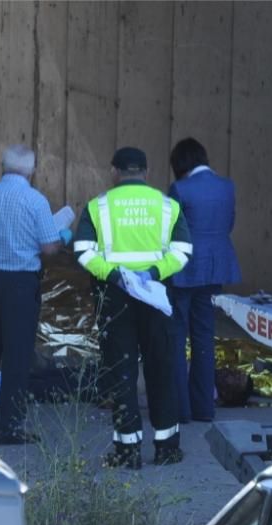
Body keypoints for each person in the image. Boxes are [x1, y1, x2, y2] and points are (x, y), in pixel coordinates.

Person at [74, 147, 193, 469]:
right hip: (155, 296)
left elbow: (83, 252)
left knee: (121, 371)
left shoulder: (98, 207)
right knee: (161, 369)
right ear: (146, 171)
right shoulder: (167, 206)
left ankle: (127, 452)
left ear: (114, 172)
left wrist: (115, 275)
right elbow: (183, 252)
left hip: (115, 297)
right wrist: (152, 273)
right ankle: (167, 448)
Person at [0, 144, 68, 444]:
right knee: (17, 357)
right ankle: (10, 426)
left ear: (2, 165)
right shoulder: (36, 202)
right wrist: (62, 239)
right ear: (31, 170)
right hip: (21, 284)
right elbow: (48, 248)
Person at [168, 138, 241, 423]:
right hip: (215, 268)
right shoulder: (227, 186)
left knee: (176, 338)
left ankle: (179, 410)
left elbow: (170, 229)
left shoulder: (180, 188)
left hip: (184, 269)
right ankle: (204, 409)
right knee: (203, 338)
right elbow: (230, 223)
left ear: (181, 165)